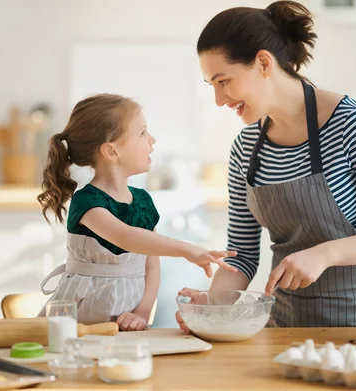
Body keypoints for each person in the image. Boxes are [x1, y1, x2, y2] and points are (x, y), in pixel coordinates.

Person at [177, 0, 356, 330]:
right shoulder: (245, 148)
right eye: (212, 86)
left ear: (263, 63)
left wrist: (324, 254)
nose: (219, 100)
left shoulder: (352, 124)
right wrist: (210, 307)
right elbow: (242, 255)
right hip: (282, 324)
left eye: (224, 81)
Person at [36, 93, 237, 330]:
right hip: (80, 320)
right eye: (142, 133)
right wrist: (187, 250)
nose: (152, 140)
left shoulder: (143, 201)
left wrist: (142, 312)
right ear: (111, 151)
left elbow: (151, 265)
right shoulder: (87, 202)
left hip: (127, 321)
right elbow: (126, 237)